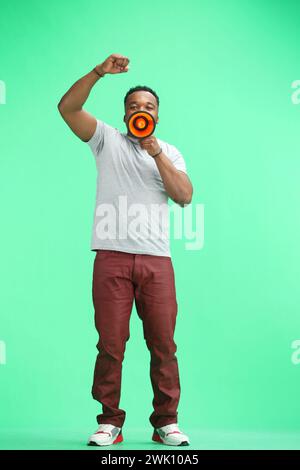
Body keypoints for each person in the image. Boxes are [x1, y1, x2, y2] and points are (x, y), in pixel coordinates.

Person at [57, 53, 193, 447]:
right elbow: (68, 108)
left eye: (148, 107)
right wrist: (99, 72)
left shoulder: (169, 152)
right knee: (111, 343)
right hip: (111, 257)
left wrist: (156, 154)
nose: (141, 111)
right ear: (124, 114)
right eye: (134, 106)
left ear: (157, 116)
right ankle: (110, 422)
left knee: (163, 343)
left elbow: (184, 196)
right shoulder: (106, 141)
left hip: (156, 261)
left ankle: (166, 422)